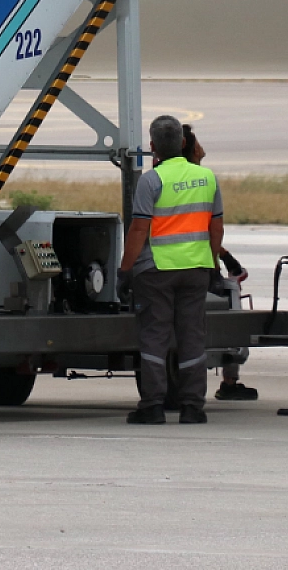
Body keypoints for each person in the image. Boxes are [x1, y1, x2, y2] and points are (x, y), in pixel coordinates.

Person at [120, 115, 226, 423]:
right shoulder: (207, 178)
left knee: (155, 337)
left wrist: (125, 270)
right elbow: (216, 228)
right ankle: (193, 406)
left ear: (152, 147)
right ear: (183, 143)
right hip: (196, 268)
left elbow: (139, 229)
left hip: (156, 270)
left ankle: (153, 405)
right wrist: (214, 264)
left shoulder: (151, 181)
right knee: (192, 336)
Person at [181, 124, 256, 401]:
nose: (204, 150)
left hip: (180, 260)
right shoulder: (201, 180)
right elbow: (207, 228)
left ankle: (227, 379)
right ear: (188, 147)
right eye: (198, 144)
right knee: (229, 297)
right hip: (194, 263)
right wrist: (218, 260)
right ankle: (228, 380)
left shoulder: (165, 179)